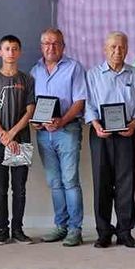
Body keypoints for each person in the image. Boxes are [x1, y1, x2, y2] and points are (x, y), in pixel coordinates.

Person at [85, 32, 135, 249]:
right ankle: (103, 232)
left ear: (127, 49)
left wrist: (134, 123)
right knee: (101, 183)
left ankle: (125, 232)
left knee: (125, 184)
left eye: (121, 47)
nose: (117, 51)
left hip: (127, 133)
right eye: (112, 47)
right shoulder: (93, 74)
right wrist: (95, 124)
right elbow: (88, 103)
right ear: (105, 49)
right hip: (100, 133)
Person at [29, 28, 88, 247]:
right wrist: (35, 121)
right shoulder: (35, 71)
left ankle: (75, 229)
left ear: (63, 46)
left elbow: (79, 101)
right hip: (44, 134)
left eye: (55, 43)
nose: (51, 47)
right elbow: (32, 104)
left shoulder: (74, 67)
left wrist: (61, 121)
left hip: (67, 131)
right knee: (54, 182)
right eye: (46, 43)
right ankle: (60, 226)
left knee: (70, 181)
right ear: (41, 47)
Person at [0, 35, 36, 245]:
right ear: (0, 52)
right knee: (0, 188)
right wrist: (3, 135)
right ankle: (2, 230)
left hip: (20, 141)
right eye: (7, 48)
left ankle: (18, 229)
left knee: (19, 188)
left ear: (19, 52)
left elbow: (30, 110)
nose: (11, 52)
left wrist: (12, 133)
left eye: (15, 49)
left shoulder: (27, 80)